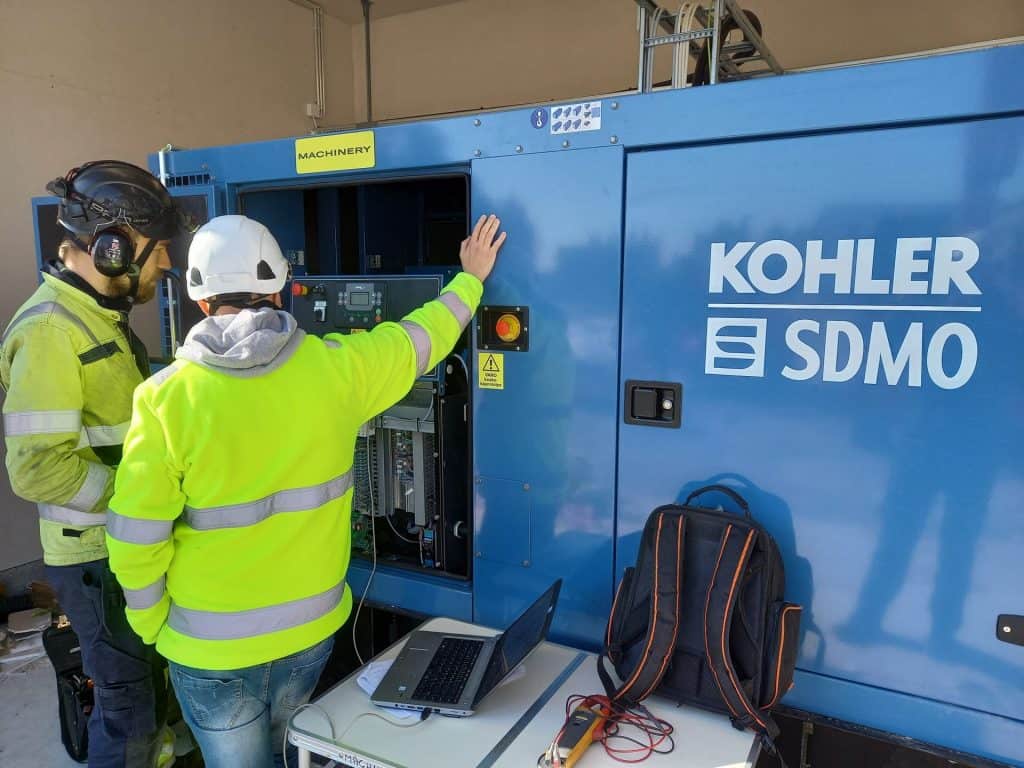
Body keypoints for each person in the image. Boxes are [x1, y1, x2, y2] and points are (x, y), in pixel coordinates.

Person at [105, 212, 506, 768]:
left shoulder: (164, 399)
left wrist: (153, 626)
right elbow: (422, 337)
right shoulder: (337, 369)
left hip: (209, 650)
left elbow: (134, 539)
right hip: (308, 636)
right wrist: (471, 279)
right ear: (280, 289)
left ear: (198, 300)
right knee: (293, 753)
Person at [1, 160, 191, 767]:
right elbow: (37, 469)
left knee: (149, 695)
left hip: (120, 544)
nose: (167, 263)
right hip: (92, 558)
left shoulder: (95, 317)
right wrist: (144, 496)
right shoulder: (51, 331)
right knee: (129, 711)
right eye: (158, 247)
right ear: (114, 248)